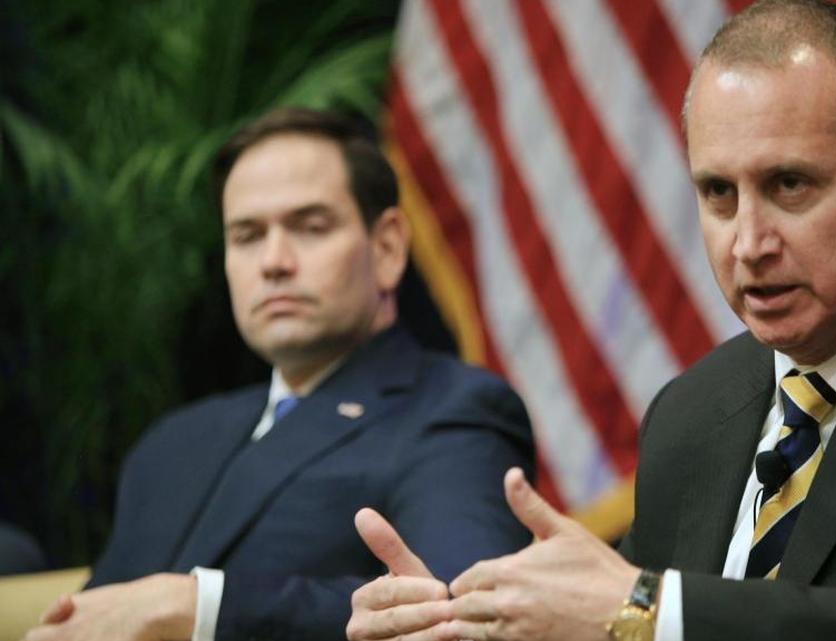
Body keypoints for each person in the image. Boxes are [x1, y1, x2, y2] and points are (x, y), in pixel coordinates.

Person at [344, 1, 836, 640]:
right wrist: (469, 627)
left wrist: (651, 612)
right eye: (718, 194)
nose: (749, 243)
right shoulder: (693, 411)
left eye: (789, 185)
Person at [24, 107, 534, 641]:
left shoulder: (452, 409)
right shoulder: (172, 445)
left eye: (309, 227)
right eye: (246, 235)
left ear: (386, 248)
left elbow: (463, 609)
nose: (273, 261)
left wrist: (202, 608)